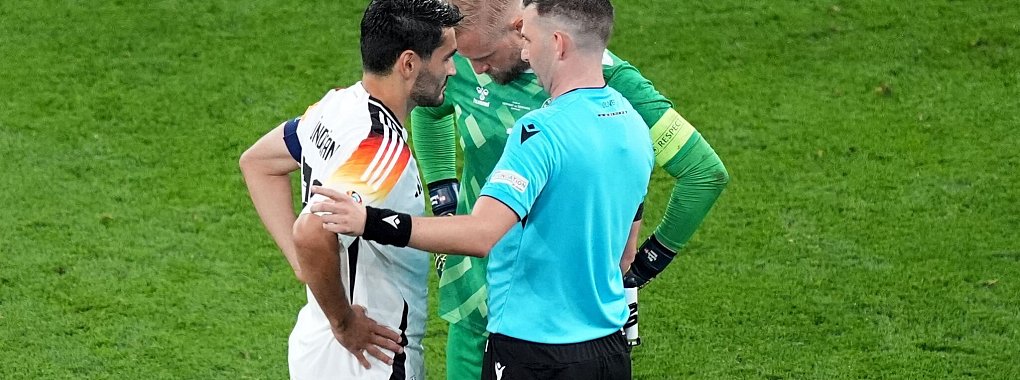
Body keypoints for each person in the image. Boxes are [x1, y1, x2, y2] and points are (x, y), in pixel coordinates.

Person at [310, 0, 651, 378]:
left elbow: (480, 234)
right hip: (608, 346)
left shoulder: (539, 132)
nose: (523, 49)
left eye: (529, 37)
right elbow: (625, 254)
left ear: (558, 44)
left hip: (533, 350)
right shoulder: (630, 122)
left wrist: (370, 221)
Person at [409, 0, 730, 378]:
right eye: (465, 57)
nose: (475, 68)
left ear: (521, 28)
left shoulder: (609, 80)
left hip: (553, 321)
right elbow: (429, 110)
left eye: (486, 56)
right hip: (474, 291)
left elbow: (702, 172)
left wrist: (643, 267)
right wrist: (445, 203)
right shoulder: (461, 58)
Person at [237, 0, 461, 378]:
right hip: (370, 356)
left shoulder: (335, 107)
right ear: (408, 64)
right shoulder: (379, 149)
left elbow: (258, 163)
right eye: (446, 58)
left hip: (316, 343)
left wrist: (306, 269)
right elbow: (311, 232)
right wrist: (344, 322)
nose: (452, 70)